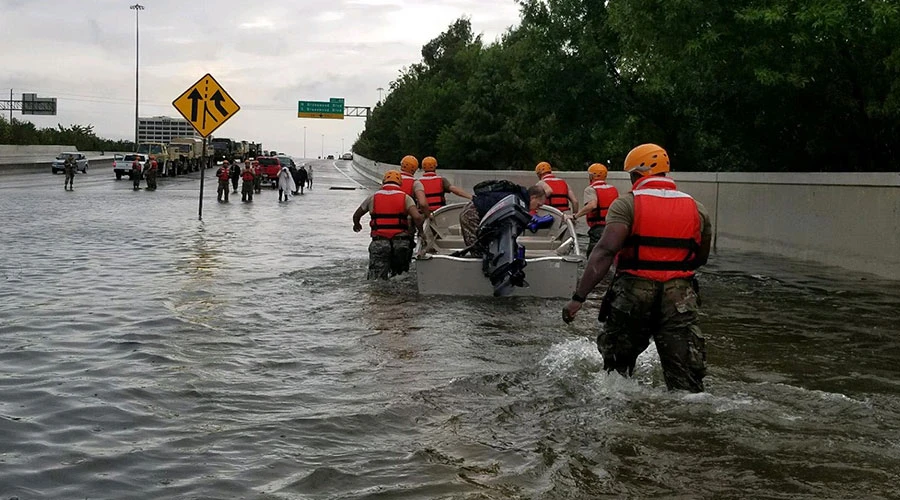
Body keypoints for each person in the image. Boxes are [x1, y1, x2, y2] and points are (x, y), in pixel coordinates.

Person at [562, 144, 712, 393]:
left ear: (635, 175)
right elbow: (700, 258)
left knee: (617, 375)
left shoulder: (626, 205)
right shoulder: (697, 208)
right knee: (686, 383)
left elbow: (605, 252)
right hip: (680, 297)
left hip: (633, 293)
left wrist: (579, 298)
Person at [353, 170, 425, 280]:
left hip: (379, 242)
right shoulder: (405, 197)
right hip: (401, 242)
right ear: (400, 183)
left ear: (383, 182)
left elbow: (356, 215)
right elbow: (418, 218)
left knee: (376, 280)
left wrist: (357, 224)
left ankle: (379, 296)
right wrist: (420, 231)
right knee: (400, 278)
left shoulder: (373, 197)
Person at [458, 181, 547, 257]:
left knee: (487, 248)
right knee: (478, 250)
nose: (537, 209)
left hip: (477, 209)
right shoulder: (519, 203)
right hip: (472, 213)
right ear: (533, 197)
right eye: (538, 205)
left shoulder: (518, 197)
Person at [569, 163, 620, 257]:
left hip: (598, 228)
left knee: (594, 256)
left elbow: (592, 205)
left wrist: (575, 216)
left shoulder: (590, 189)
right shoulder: (613, 189)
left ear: (591, 176)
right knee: (610, 254)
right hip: (613, 226)